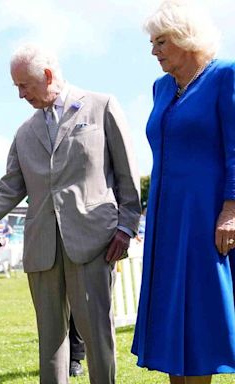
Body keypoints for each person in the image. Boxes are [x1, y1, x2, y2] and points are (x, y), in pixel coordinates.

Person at [0, 44, 141, 384]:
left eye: (24, 86)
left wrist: (126, 226)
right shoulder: (24, 132)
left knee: (97, 335)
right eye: (16, 87)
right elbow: (9, 188)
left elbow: (127, 174)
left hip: (94, 243)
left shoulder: (101, 106)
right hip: (42, 249)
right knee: (50, 342)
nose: (20, 95)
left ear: (48, 76)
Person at [131, 1, 235, 383]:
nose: (153, 51)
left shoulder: (226, 75)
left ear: (185, 38)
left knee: (202, 320)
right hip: (166, 220)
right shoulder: (160, 87)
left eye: (160, 42)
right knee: (174, 324)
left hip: (208, 218)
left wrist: (231, 210)